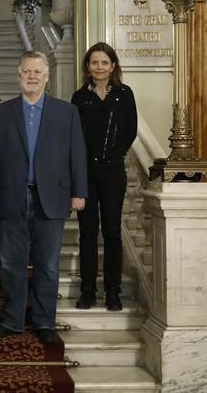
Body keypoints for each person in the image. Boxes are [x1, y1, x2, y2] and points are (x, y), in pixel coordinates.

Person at [0, 51, 88, 344]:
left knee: (48, 264)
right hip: (11, 198)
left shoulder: (66, 112)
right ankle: (12, 320)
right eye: (27, 72)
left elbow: (76, 153)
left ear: (47, 76)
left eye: (37, 72)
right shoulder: (0, 113)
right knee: (11, 263)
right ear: (19, 75)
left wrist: (79, 191)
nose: (32, 77)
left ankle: (44, 322)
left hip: (52, 198)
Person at [71, 43, 137, 312]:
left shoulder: (124, 94)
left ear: (112, 66)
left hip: (113, 171)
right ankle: (88, 291)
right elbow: (73, 137)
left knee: (111, 231)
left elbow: (131, 130)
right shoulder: (79, 98)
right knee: (87, 232)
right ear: (88, 66)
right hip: (86, 172)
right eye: (94, 63)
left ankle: (113, 291)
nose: (99, 67)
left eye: (104, 62)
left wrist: (113, 154)